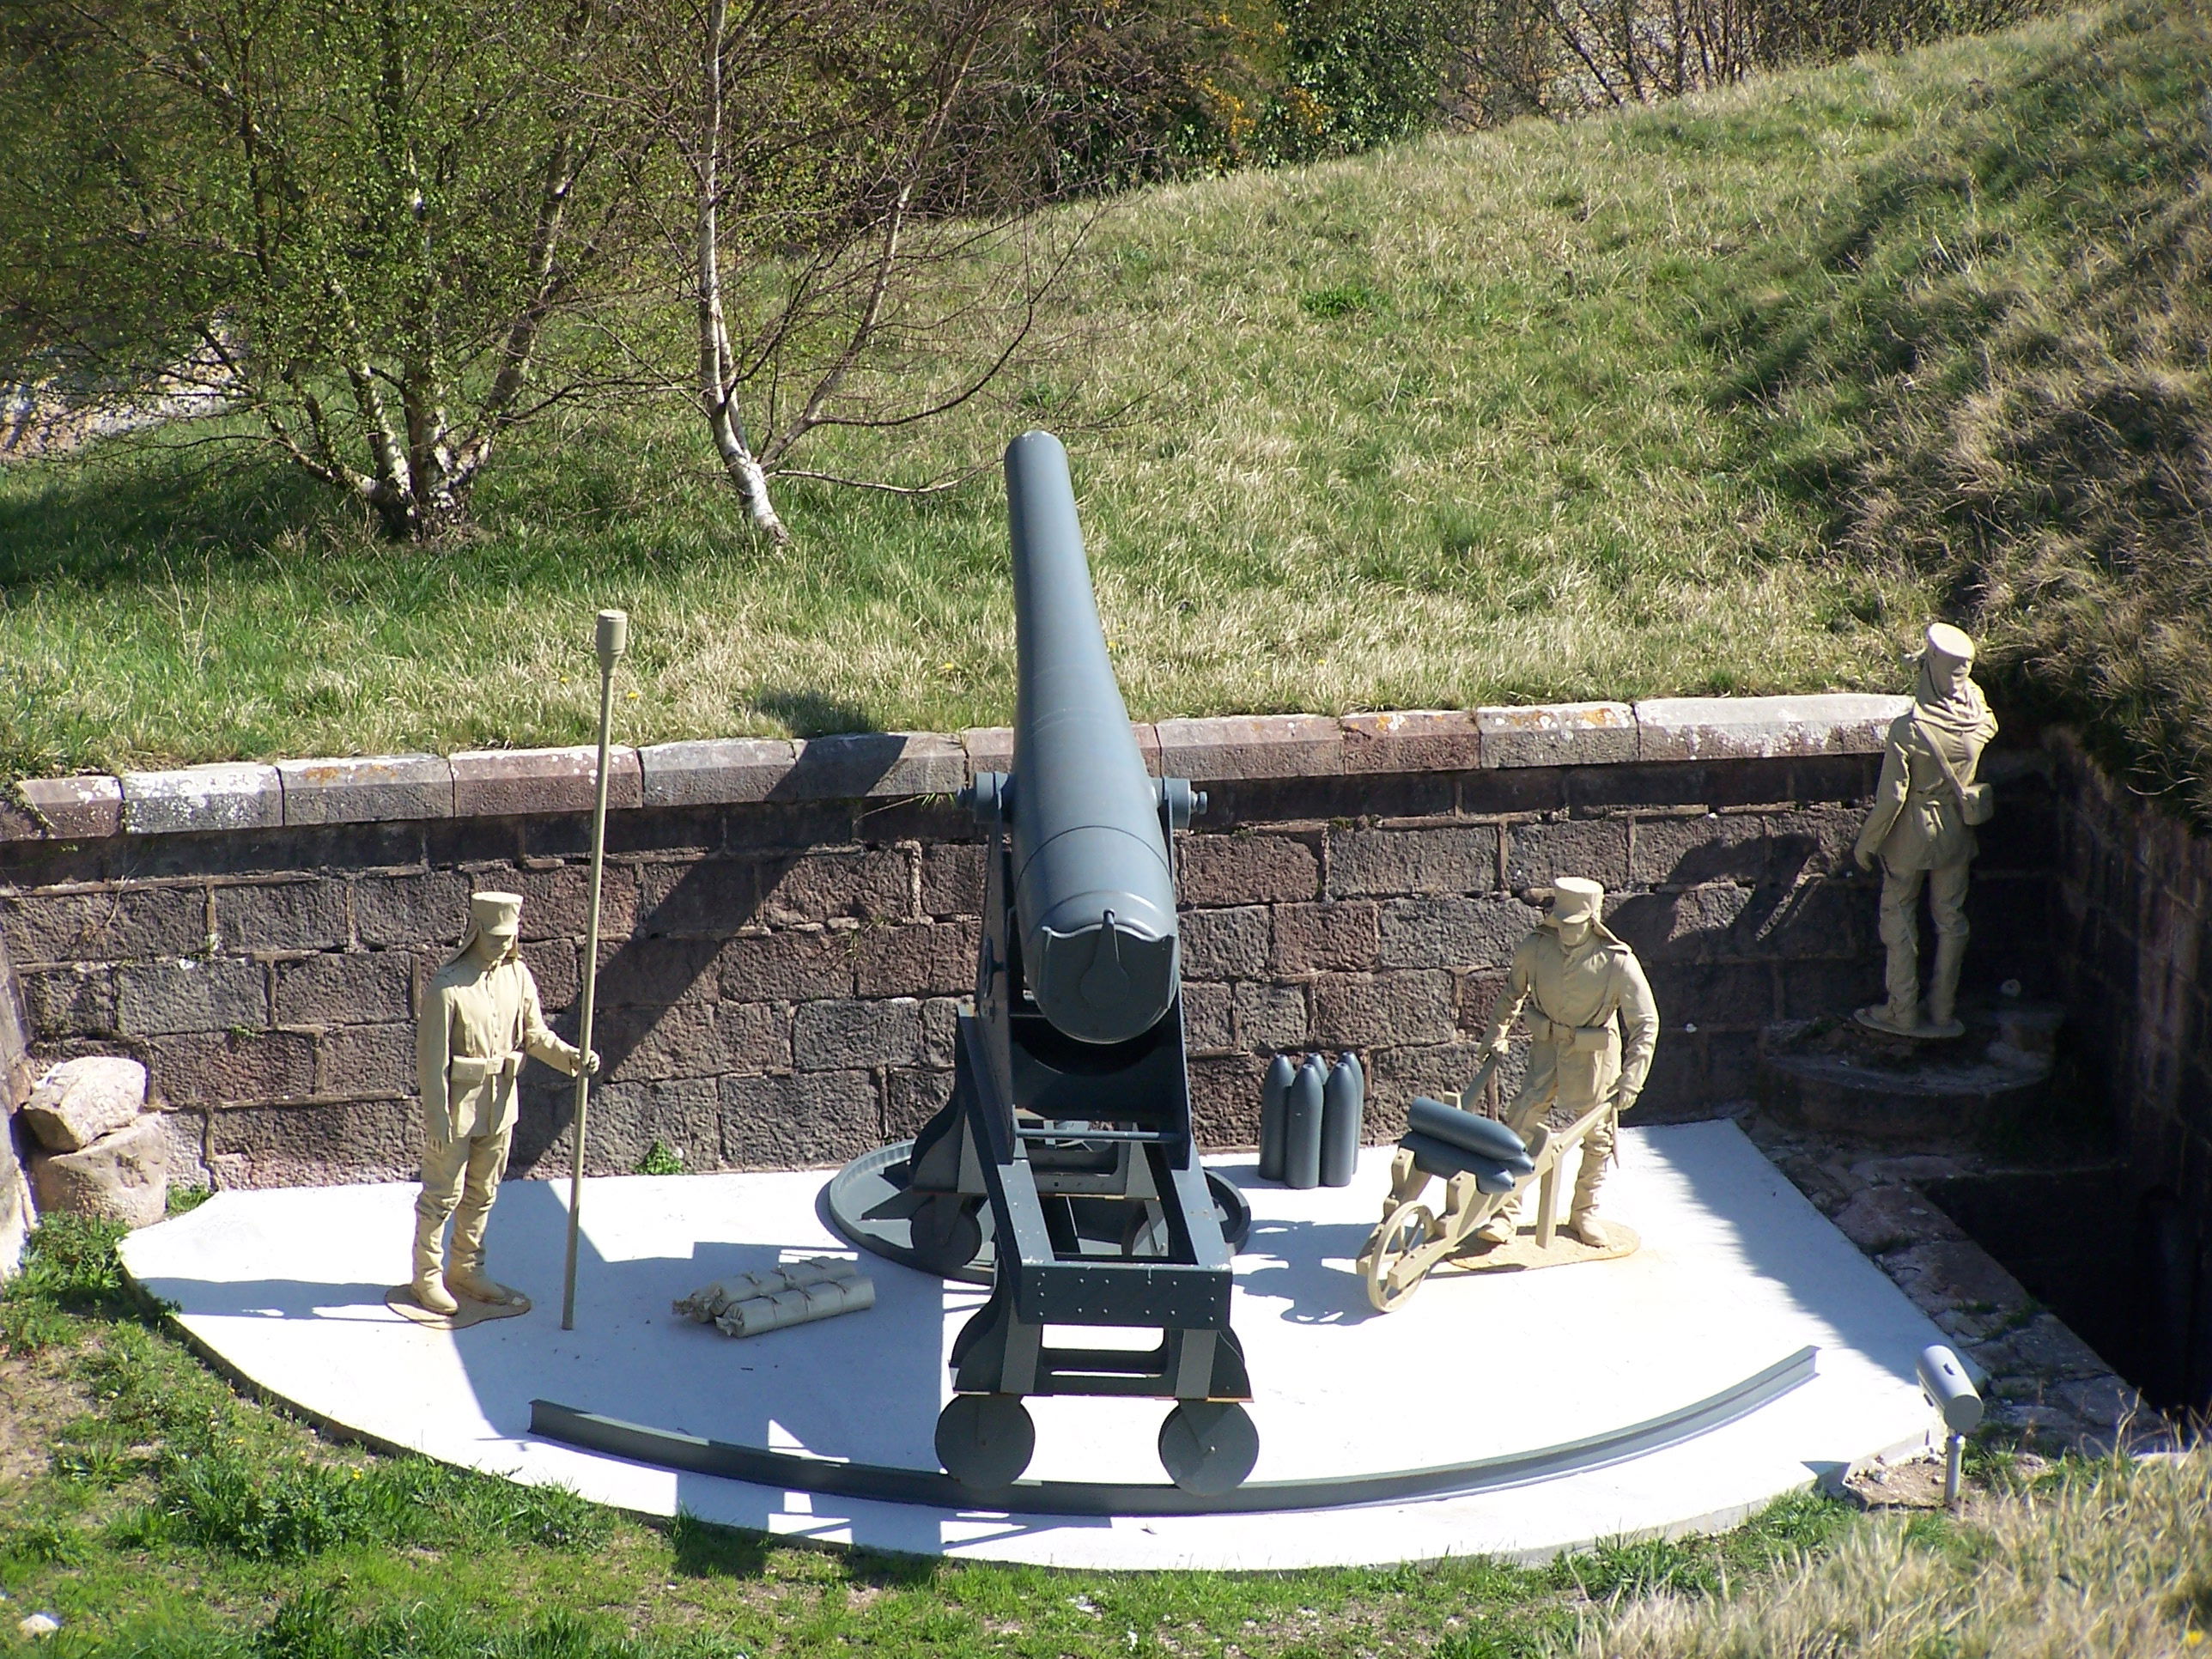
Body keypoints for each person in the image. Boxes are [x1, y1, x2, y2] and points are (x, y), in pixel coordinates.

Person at [410, 890, 598, 1316]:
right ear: (476, 932)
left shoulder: (518, 978)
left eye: (508, 936)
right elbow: (431, 1061)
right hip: (458, 1110)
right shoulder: (448, 986)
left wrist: (571, 1057)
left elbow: (536, 1036)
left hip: (500, 1106)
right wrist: (437, 1119)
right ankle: (426, 1277)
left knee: (483, 1192)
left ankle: (467, 1269)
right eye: (494, 936)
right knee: (442, 1195)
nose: (502, 944)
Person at [1473, 877, 1657, 1249]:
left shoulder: (1618, 962)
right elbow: (1512, 993)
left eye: (1574, 925)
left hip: (1592, 1059)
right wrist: (1497, 1034)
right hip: (1546, 1051)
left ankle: (1584, 1211)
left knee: (1597, 1136)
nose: (1566, 932)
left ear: (1591, 920)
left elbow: (1645, 1023)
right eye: (1561, 923)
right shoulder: (1536, 947)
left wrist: (1632, 1079)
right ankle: (1506, 1211)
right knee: (1521, 1122)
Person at [1853, 623, 1998, 1040]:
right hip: (1956, 834)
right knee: (1951, 920)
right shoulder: (1977, 719)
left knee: (1898, 919)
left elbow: (1891, 800)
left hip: (1911, 837)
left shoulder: (1910, 730)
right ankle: (1942, 1009)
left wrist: (1867, 844)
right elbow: (1988, 721)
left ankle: (1901, 1011)